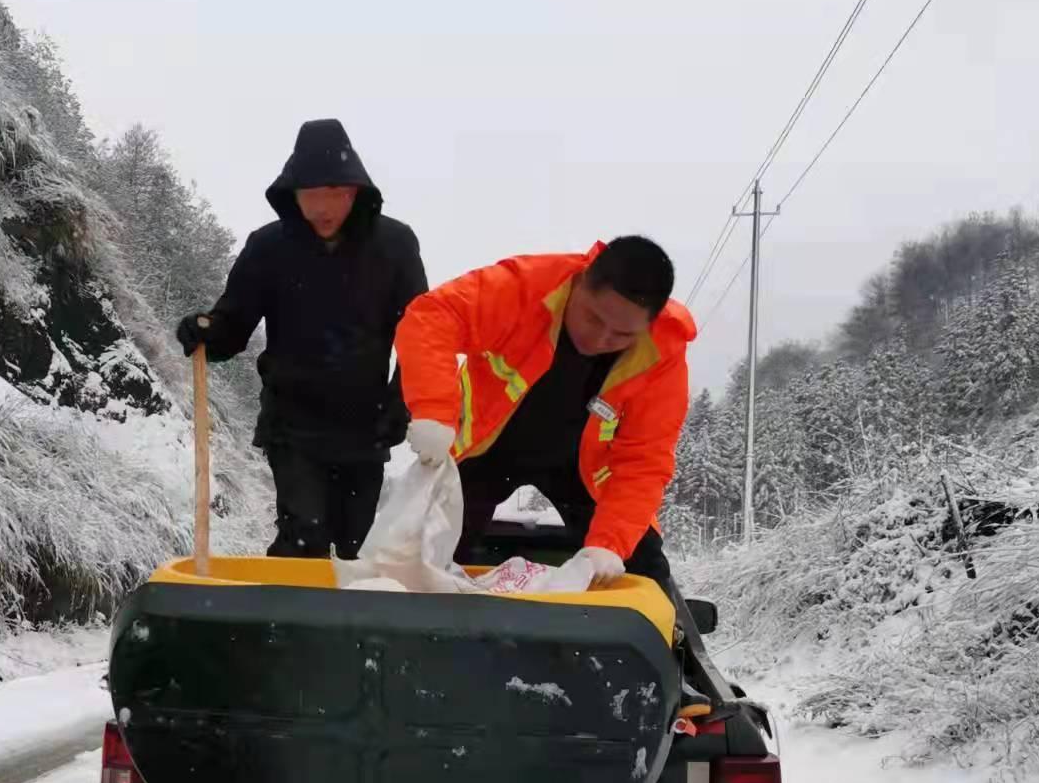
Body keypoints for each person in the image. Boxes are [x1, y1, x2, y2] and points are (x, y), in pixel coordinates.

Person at [177, 120, 427, 559]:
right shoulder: (269, 247)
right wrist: (206, 330)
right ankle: (285, 627)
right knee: (304, 536)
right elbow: (232, 327)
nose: (321, 209)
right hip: (292, 422)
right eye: (309, 197)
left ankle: (351, 628)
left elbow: (420, 334)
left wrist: (401, 399)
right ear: (292, 195)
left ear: (353, 191)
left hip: (365, 425)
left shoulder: (395, 246)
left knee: (360, 548)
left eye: (333, 195)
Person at [393, 235, 694, 589]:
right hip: (488, 451)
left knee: (641, 570)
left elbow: (644, 460)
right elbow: (432, 317)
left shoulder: (663, 353)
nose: (600, 341)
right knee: (421, 554)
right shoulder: (526, 288)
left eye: (622, 335)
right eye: (594, 319)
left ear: (649, 325)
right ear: (580, 283)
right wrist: (433, 411)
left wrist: (609, 545)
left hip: (583, 470)